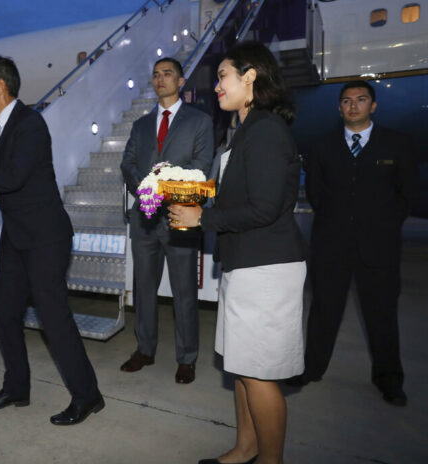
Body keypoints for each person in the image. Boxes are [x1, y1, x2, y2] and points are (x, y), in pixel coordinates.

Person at [0, 56, 103, 426]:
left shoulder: (30, 124)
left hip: (45, 237)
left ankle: (88, 396)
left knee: (54, 319)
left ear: (0, 86)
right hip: (16, 237)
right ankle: (17, 387)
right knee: (5, 314)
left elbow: (11, 177)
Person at [168, 41, 307, 464]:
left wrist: (201, 220)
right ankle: (247, 447)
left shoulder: (265, 129)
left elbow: (264, 208)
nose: (216, 87)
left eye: (223, 76)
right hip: (246, 263)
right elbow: (239, 196)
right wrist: (192, 195)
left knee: (259, 374)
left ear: (251, 76)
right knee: (244, 368)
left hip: (266, 268)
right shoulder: (244, 130)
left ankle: (270, 459)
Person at [287, 81, 419, 406]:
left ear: (373, 106)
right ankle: (312, 369)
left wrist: (384, 226)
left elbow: (409, 194)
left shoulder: (397, 144)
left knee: (382, 315)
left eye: (361, 100)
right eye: (346, 101)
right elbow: (317, 194)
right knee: (323, 311)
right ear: (339, 107)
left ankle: (389, 379)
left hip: (379, 247)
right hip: (331, 245)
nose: (353, 106)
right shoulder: (321, 146)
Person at [120, 57, 213, 384]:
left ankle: (187, 358)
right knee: (143, 289)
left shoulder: (199, 121)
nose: (161, 79)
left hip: (180, 217)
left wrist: (166, 188)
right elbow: (127, 164)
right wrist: (146, 188)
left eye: (167, 74)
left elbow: (202, 166)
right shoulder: (140, 125)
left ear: (181, 79)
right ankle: (144, 350)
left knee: (184, 291)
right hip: (144, 219)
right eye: (156, 74)